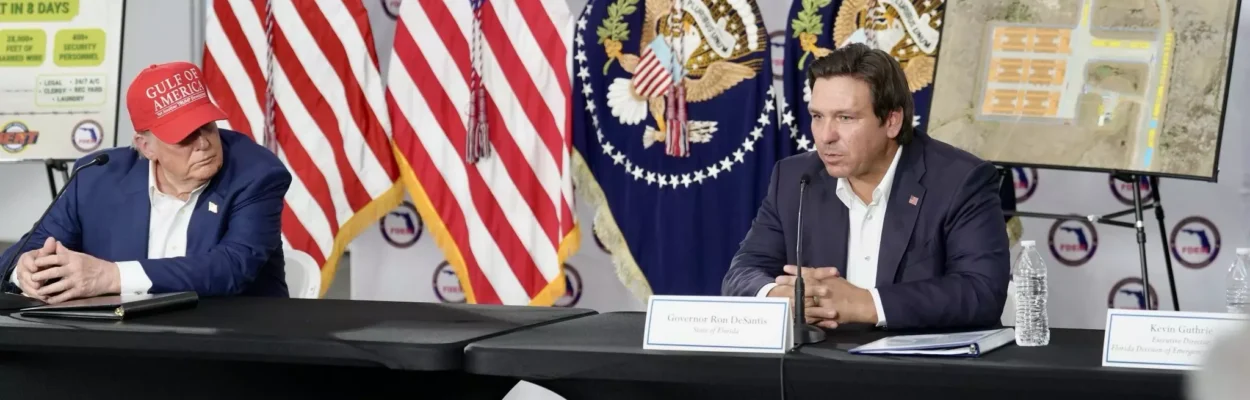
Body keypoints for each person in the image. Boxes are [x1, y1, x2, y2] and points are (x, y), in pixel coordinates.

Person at [722, 43, 1011, 330]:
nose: (825, 136)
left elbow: (982, 292)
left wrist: (866, 304)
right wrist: (780, 295)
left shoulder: (960, 180)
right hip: (819, 367)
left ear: (891, 122)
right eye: (817, 116)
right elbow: (743, 272)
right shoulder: (795, 177)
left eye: (845, 118)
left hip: (920, 369)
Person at [0, 61, 293, 303]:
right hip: (127, 346)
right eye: (185, 136)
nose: (204, 143)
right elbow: (25, 251)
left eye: (207, 126)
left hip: (234, 344)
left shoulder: (257, 174)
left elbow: (232, 267)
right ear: (146, 146)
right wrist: (26, 269)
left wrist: (111, 276)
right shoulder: (96, 176)